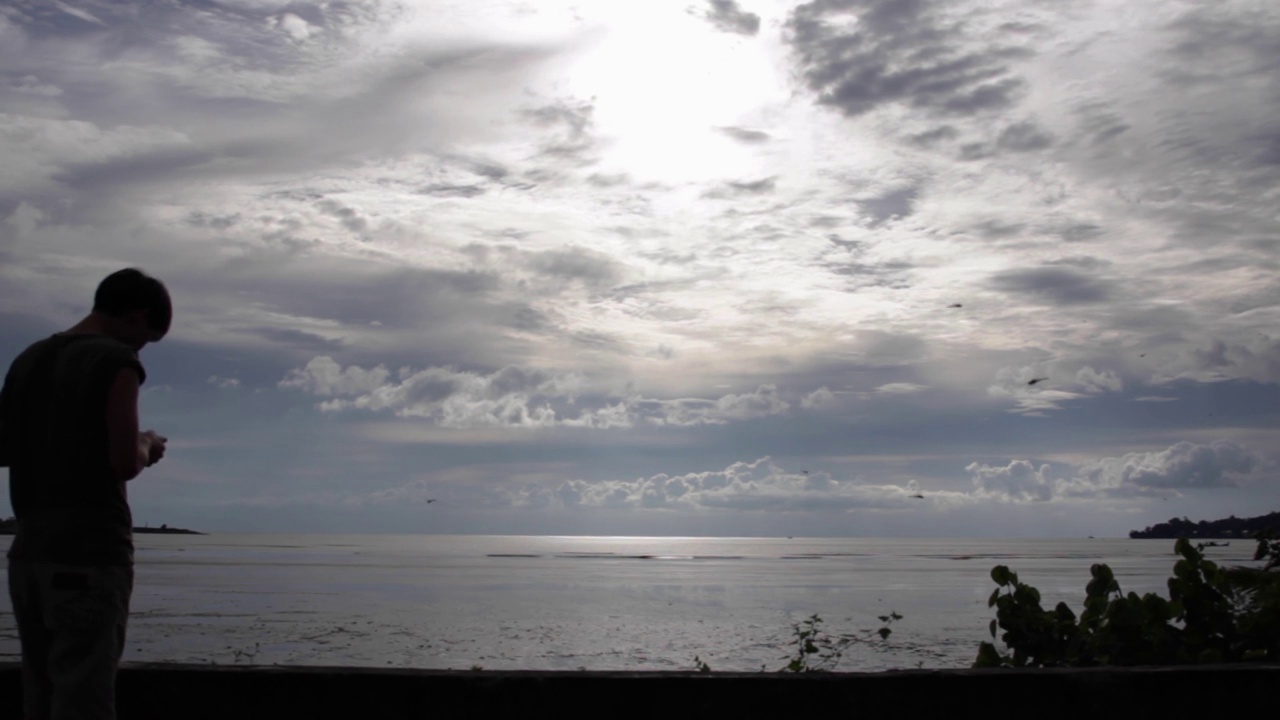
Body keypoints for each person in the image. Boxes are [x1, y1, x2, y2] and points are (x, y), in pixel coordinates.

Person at [0, 268, 171, 720]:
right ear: (137, 316)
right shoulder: (114, 360)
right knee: (85, 695)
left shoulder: (29, 359)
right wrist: (147, 443)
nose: (139, 349)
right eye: (145, 339)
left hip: (29, 555)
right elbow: (122, 462)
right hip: (90, 554)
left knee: (40, 690)